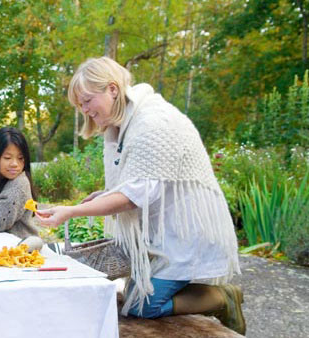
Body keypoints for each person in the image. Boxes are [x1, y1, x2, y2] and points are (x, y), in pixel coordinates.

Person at [36, 57, 245, 334]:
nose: (85, 110)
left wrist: (72, 211)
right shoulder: (121, 126)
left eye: (87, 101)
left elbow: (136, 195)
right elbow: (135, 182)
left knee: (142, 308)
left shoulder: (153, 122)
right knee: (133, 300)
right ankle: (195, 291)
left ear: (112, 89)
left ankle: (224, 297)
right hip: (160, 231)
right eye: (80, 105)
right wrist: (103, 195)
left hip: (184, 231)